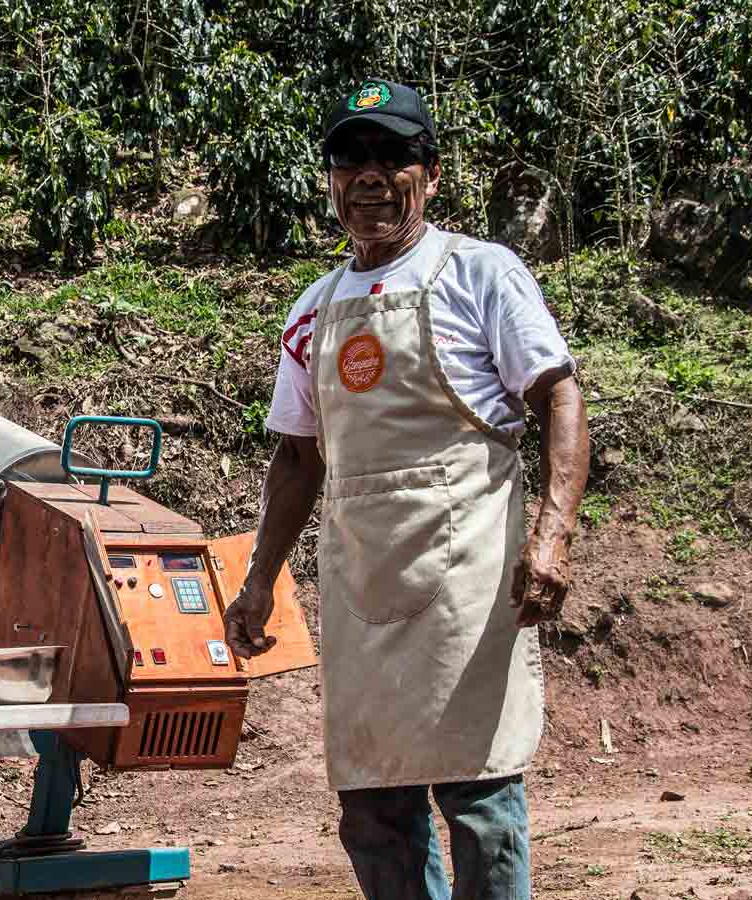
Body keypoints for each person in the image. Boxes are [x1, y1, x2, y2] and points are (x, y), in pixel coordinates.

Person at [222, 78, 590, 900]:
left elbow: (560, 394)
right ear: (331, 181)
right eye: (352, 160)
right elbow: (297, 460)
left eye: (393, 156)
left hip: (468, 576)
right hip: (361, 582)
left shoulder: (481, 274)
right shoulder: (314, 309)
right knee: (371, 806)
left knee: (479, 796)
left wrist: (554, 534)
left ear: (428, 170)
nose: (371, 177)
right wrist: (258, 580)